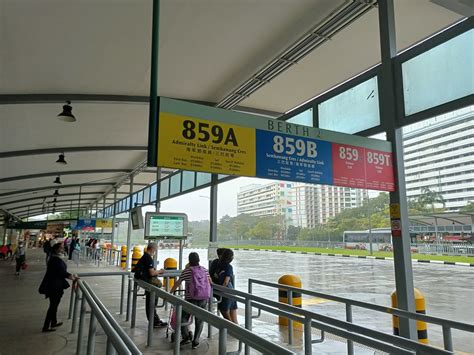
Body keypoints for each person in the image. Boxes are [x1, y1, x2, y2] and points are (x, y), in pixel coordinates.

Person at [170, 252, 211, 349]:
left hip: (190, 299)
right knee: (199, 320)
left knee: (183, 317)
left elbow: (178, 283)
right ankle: (196, 341)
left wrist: (170, 292)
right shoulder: (205, 270)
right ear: (199, 260)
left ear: (189, 260)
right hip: (203, 298)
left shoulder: (187, 271)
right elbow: (210, 282)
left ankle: (186, 336)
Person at [39, 240, 78, 332]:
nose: (63, 249)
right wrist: (70, 276)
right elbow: (61, 272)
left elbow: (61, 271)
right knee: (53, 306)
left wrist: (70, 275)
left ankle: (53, 322)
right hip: (54, 286)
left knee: (54, 305)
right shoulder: (55, 260)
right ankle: (46, 326)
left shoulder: (54, 258)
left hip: (55, 285)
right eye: (61, 247)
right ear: (56, 250)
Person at [133, 243, 167, 327]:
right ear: (151, 249)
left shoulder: (144, 257)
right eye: (155, 250)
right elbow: (151, 273)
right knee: (152, 302)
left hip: (143, 281)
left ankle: (154, 320)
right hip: (149, 284)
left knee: (149, 302)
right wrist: (160, 271)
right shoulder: (148, 258)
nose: (155, 252)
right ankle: (155, 321)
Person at [216, 248, 238, 324]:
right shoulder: (229, 267)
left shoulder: (218, 264)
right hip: (228, 291)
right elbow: (226, 281)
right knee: (227, 312)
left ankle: (234, 330)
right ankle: (234, 329)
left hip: (224, 291)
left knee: (225, 311)